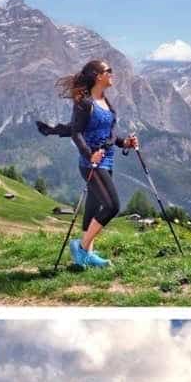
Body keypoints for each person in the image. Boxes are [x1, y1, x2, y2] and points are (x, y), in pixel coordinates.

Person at [37, 60, 138, 269]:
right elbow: (76, 132)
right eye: (108, 70)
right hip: (91, 164)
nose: (112, 73)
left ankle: (88, 253)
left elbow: (107, 133)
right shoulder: (85, 103)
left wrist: (125, 142)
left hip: (107, 160)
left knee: (93, 207)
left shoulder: (106, 102)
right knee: (112, 206)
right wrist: (89, 154)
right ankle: (81, 249)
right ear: (98, 76)